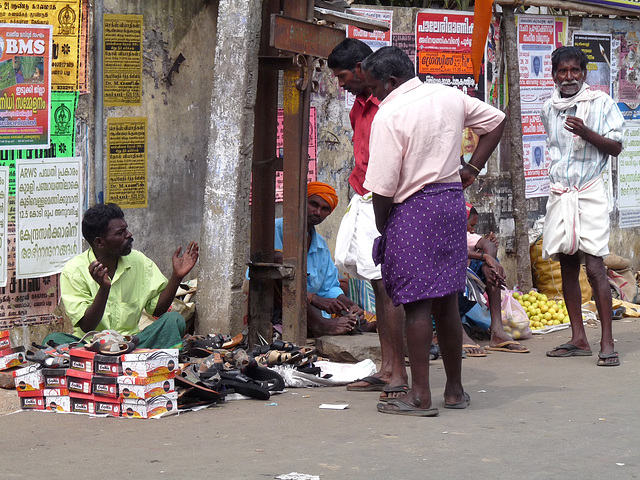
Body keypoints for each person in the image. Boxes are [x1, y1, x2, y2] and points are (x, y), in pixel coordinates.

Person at [361, 46, 506, 416]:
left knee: (416, 305)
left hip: (412, 208)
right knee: (446, 304)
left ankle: (421, 395)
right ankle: (455, 390)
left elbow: (383, 187)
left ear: (391, 81)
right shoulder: (449, 96)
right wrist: (472, 168)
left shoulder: (389, 114)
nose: (374, 95)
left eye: (376, 87)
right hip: (450, 203)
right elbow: (496, 122)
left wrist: (383, 225)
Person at [328, 38, 408, 397]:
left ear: (361, 70)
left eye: (343, 76)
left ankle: (396, 371)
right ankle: (387, 367)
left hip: (388, 200)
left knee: (389, 287)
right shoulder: (358, 106)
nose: (340, 84)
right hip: (365, 196)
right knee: (378, 285)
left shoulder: (391, 105)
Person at [541, 46, 624, 366]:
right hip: (561, 194)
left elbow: (615, 147)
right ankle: (579, 337)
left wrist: (587, 133)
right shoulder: (549, 107)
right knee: (567, 263)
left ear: (584, 74)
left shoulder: (600, 103)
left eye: (575, 71)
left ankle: (607, 342)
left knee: (594, 266)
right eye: (562, 71)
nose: (569, 77)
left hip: (589, 193)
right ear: (554, 75)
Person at [44, 203, 198, 349]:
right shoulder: (74, 270)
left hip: (132, 343)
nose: (129, 235)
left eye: (126, 229)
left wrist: (176, 277)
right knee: (53, 340)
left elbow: (157, 311)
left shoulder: (139, 261)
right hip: (91, 345)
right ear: (100, 242)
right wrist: (104, 289)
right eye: (120, 233)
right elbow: (87, 325)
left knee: (173, 320)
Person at [273, 182, 364, 337]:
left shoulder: (320, 245)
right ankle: (320, 325)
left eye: (325, 209)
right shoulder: (277, 228)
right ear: (303, 202)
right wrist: (312, 298)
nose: (317, 212)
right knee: (281, 264)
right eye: (313, 204)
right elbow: (273, 270)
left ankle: (347, 323)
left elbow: (329, 287)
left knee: (345, 290)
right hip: (273, 303)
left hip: (305, 310)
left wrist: (349, 305)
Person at [465, 204, 529, 353]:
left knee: (490, 265)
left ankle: (497, 331)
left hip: (466, 298)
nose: (473, 229)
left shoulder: (468, 237)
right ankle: (457, 333)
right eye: (471, 225)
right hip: (445, 298)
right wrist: (484, 256)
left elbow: (488, 245)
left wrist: (489, 262)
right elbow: (455, 252)